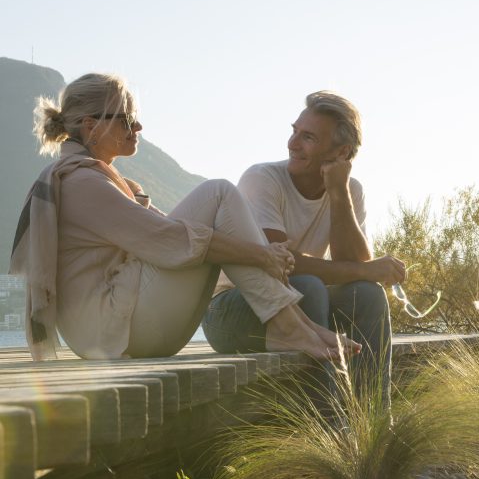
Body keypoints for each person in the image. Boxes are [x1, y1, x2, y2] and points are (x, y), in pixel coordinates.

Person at [10, 73, 356, 362]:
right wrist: (262, 254)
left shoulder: (101, 180)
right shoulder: (81, 182)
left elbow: (176, 232)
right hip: (114, 332)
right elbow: (170, 241)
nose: (138, 125)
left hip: (121, 326)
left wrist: (258, 253)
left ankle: (292, 325)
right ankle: (288, 326)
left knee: (214, 205)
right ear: (91, 126)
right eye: (128, 118)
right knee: (217, 192)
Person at [202, 91, 405, 398]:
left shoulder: (351, 190)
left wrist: (338, 193)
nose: (292, 144)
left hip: (303, 309)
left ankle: (375, 421)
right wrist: (366, 271)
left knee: (366, 294)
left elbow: (355, 264)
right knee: (306, 286)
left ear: (341, 152)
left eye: (308, 137)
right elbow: (281, 266)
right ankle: (328, 424)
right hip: (233, 310)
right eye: (294, 131)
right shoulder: (263, 179)